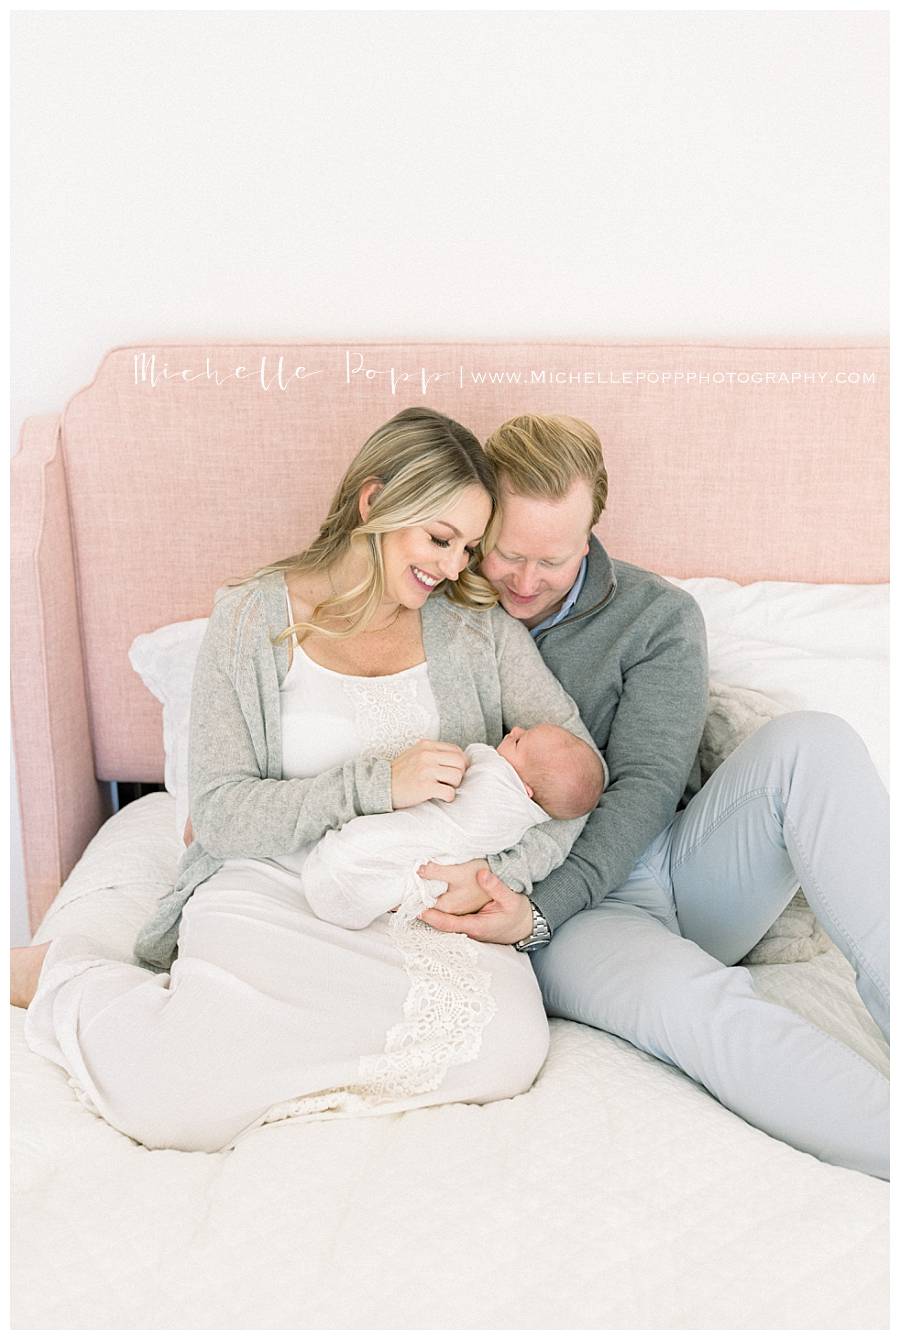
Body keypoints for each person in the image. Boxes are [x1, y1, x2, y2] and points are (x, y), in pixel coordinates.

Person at [12, 407, 603, 1154]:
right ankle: (65, 976)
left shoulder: (476, 629)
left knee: (506, 1045)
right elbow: (221, 814)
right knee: (174, 1101)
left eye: (470, 547)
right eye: (441, 539)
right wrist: (374, 786)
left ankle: (279, 1074)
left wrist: (493, 872)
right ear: (374, 504)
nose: (458, 568)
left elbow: (576, 772)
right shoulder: (250, 620)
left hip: (407, 902)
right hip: (270, 886)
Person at [416, 412, 890, 1181]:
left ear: (593, 533)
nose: (526, 582)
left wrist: (545, 904)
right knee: (691, 1001)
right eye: (507, 554)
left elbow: (645, 787)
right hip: (569, 920)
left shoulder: (656, 617)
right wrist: (535, 916)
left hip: (666, 863)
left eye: (554, 560)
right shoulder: (435, 614)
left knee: (815, 743)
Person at [303, 724, 606, 929]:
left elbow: (475, 758)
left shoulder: (497, 783)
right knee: (417, 869)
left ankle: (346, 882)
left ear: (524, 790)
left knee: (381, 843)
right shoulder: (524, 822)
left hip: (443, 845)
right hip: (443, 860)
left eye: (517, 740)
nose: (513, 728)